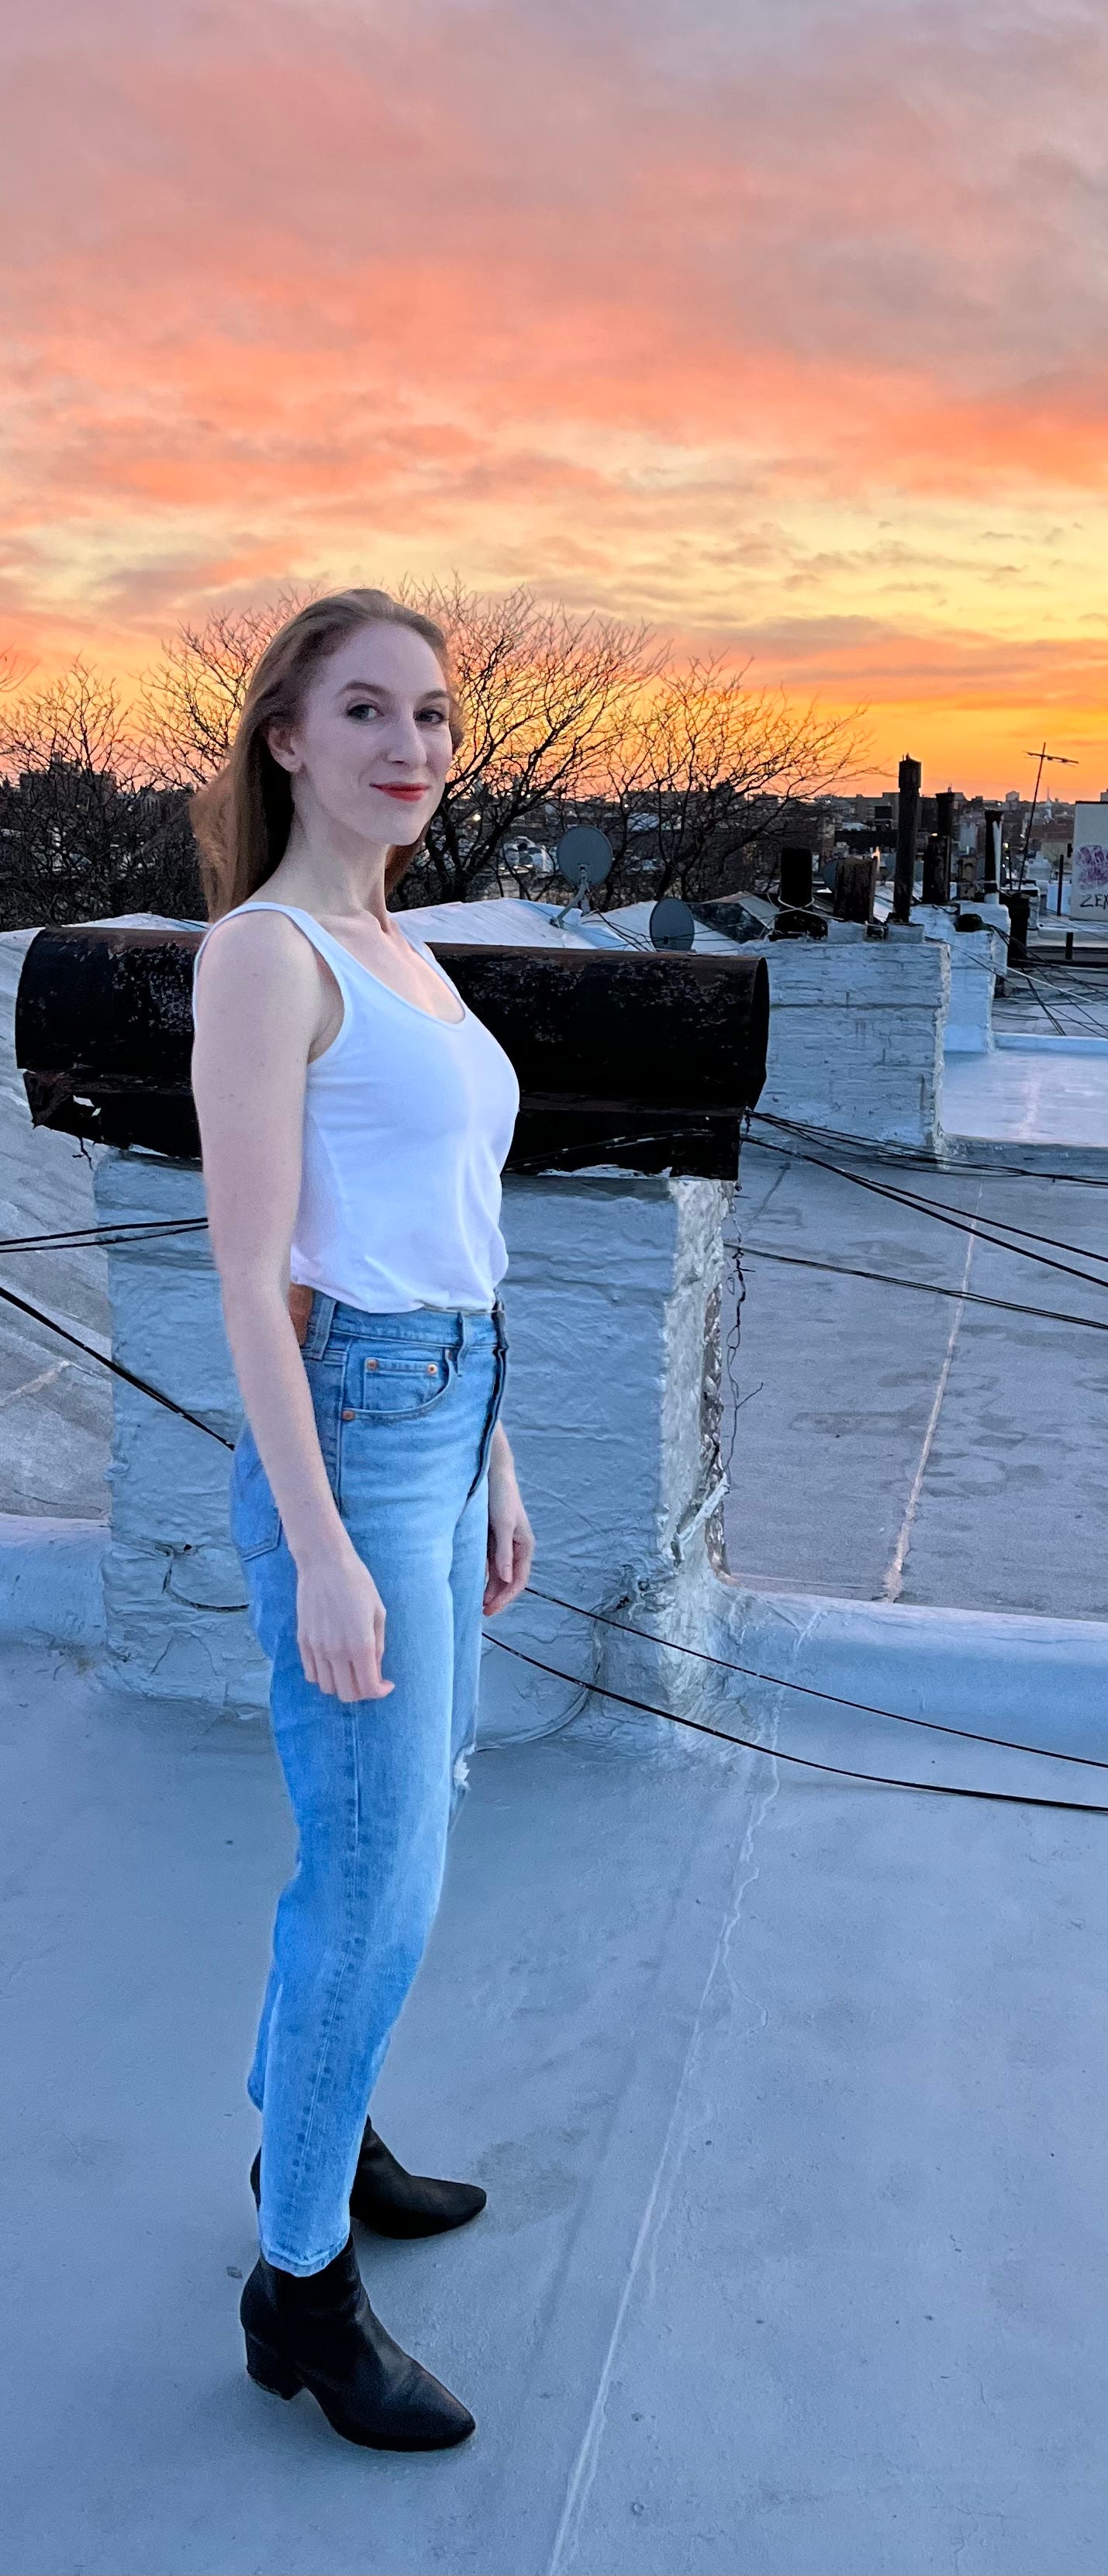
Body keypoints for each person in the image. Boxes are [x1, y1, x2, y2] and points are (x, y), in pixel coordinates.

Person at [189, 589, 533, 2451]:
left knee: (404, 1840)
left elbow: (452, 1230)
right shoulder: (268, 957)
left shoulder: (406, 950)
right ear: (288, 738)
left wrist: (497, 1461)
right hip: (354, 1441)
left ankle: (319, 2131)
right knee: (374, 1873)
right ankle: (300, 2292)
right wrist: (322, 1545)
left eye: (435, 715)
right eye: (367, 711)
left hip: (444, 1417)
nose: (413, 746)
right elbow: (254, 1281)